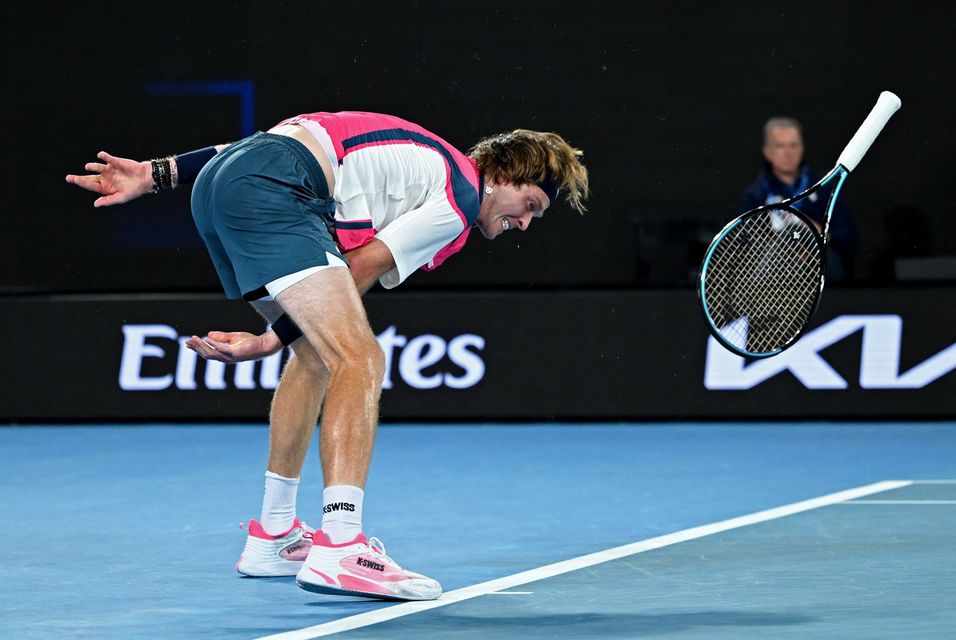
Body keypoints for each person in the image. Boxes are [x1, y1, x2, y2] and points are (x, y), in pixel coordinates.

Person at [66, 111, 588, 601]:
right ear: (502, 176)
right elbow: (360, 266)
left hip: (223, 182)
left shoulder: (423, 162)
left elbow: (256, 148)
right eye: (531, 207)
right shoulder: (462, 193)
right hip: (271, 185)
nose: (525, 224)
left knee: (316, 356)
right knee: (360, 359)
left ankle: (274, 534)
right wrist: (270, 339)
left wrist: (159, 175)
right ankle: (341, 544)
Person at [739, 117, 858, 281]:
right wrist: (788, 249)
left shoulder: (825, 188)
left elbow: (849, 237)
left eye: (794, 145)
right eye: (780, 146)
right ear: (767, 152)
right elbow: (746, 245)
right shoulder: (755, 195)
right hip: (775, 279)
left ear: (802, 149)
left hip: (823, 275)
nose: (788, 152)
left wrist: (820, 236)